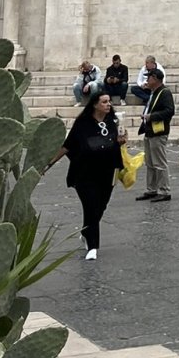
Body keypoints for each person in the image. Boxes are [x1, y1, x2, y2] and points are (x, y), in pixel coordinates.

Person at [56, 89, 126, 259]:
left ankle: (86, 232)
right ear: (95, 104)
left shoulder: (113, 121)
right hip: (85, 173)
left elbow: (116, 142)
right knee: (91, 206)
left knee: (101, 206)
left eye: (109, 101)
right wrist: (48, 164)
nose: (108, 105)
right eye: (104, 102)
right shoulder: (82, 123)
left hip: (109, 171)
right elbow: (68, 146)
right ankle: (93, 247)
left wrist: (121, 141)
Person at [136, 66, 174, 202]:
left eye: (149, 78)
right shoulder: (153, 92)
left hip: (158, 131)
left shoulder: (164, 92)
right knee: (150, 163)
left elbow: (169, 111)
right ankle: (151, 189)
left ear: (155, 79)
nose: (147, 80)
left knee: (159, 162)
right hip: (149, 130)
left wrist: (151, 116)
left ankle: (164, 190)